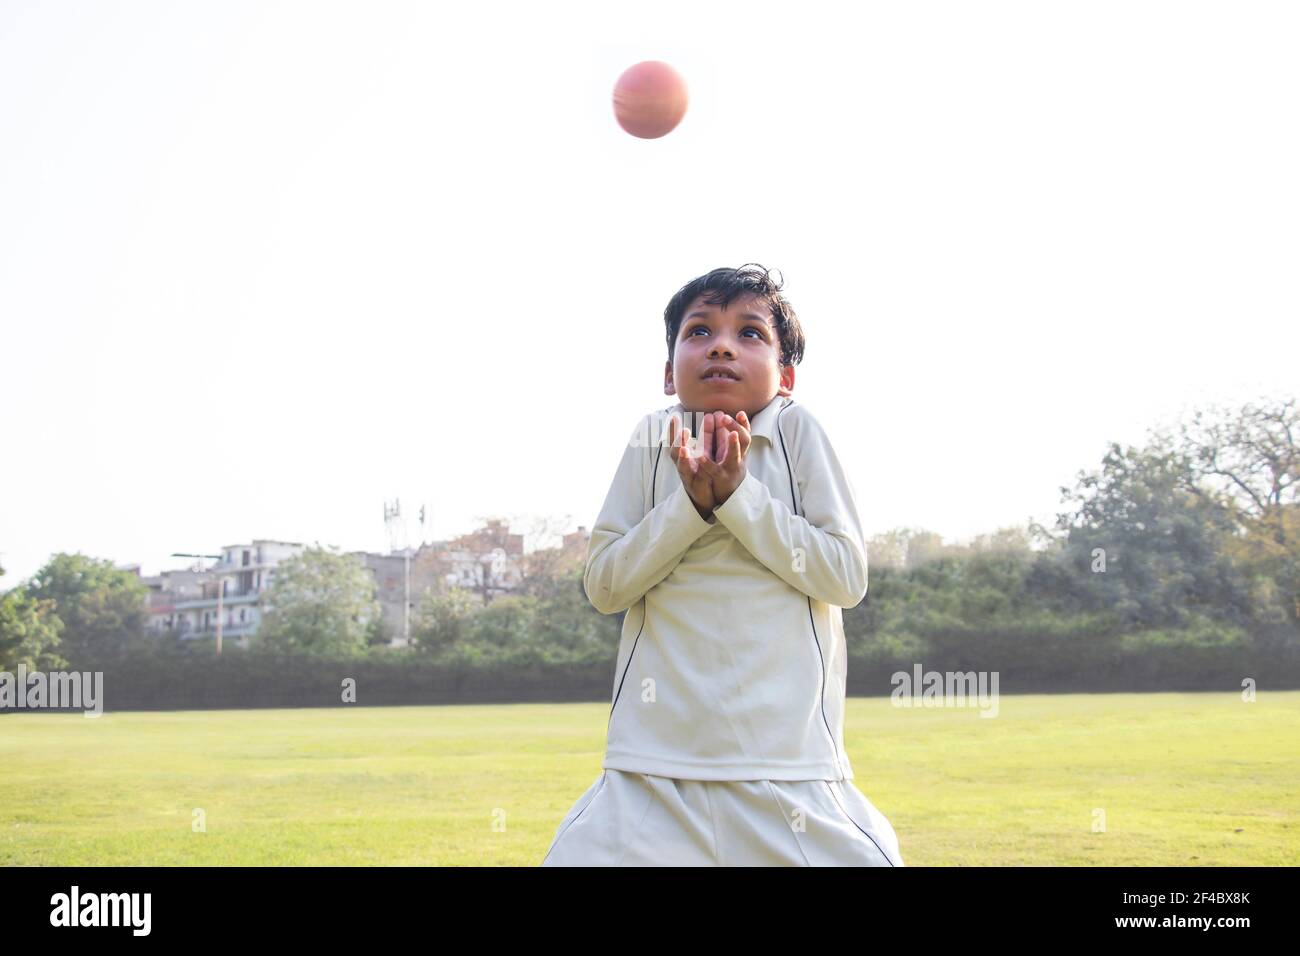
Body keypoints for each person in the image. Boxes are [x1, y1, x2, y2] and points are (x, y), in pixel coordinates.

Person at [541, 264, 903, 866]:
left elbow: (845, 576)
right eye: (700, 331)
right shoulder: (650, 438)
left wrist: (737, 498)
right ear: (667, 371)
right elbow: (606, 585)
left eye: (751, 334)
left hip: (788, 768)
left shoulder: (796, 429)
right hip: (650, 771)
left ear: (785, 375)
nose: (723, 346)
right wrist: (689, 507)